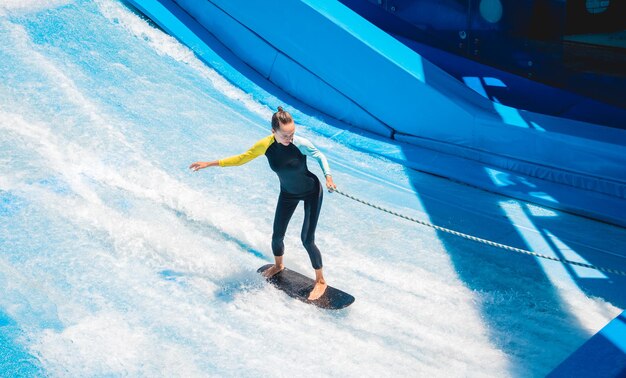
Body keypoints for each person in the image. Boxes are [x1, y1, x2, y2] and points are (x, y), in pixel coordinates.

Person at [189, 107, 336, 300]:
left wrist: (328, 177)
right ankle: (278, 265)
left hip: (311, 192)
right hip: (288, 193)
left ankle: (320, 281)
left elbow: (320, 156)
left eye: (292, 133)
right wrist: (209, 163)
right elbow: (241, 159)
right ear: (273, 131)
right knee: (277, 236)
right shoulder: (264, 145)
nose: (289, 138)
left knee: (307, 239)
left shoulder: (300, 143)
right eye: (285, 135)